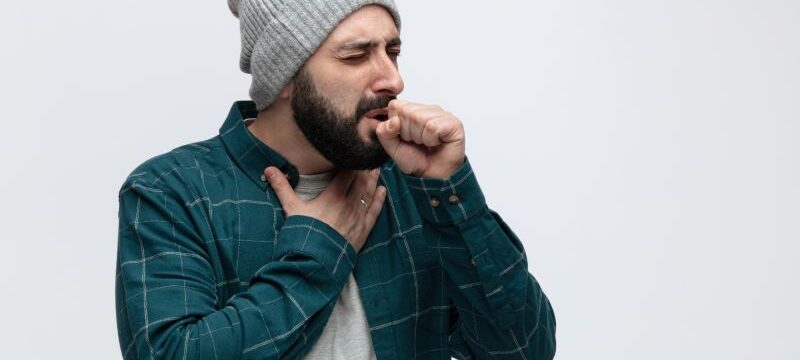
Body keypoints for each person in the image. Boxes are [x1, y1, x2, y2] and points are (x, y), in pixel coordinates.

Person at [115, 1, 557, 359]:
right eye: (357, 55)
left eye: (393, 51)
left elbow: (523, 348)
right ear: (285, 75)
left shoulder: (411, 181)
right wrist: (319, 248)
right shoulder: (172, 190)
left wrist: (450, 189)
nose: (393, 79)